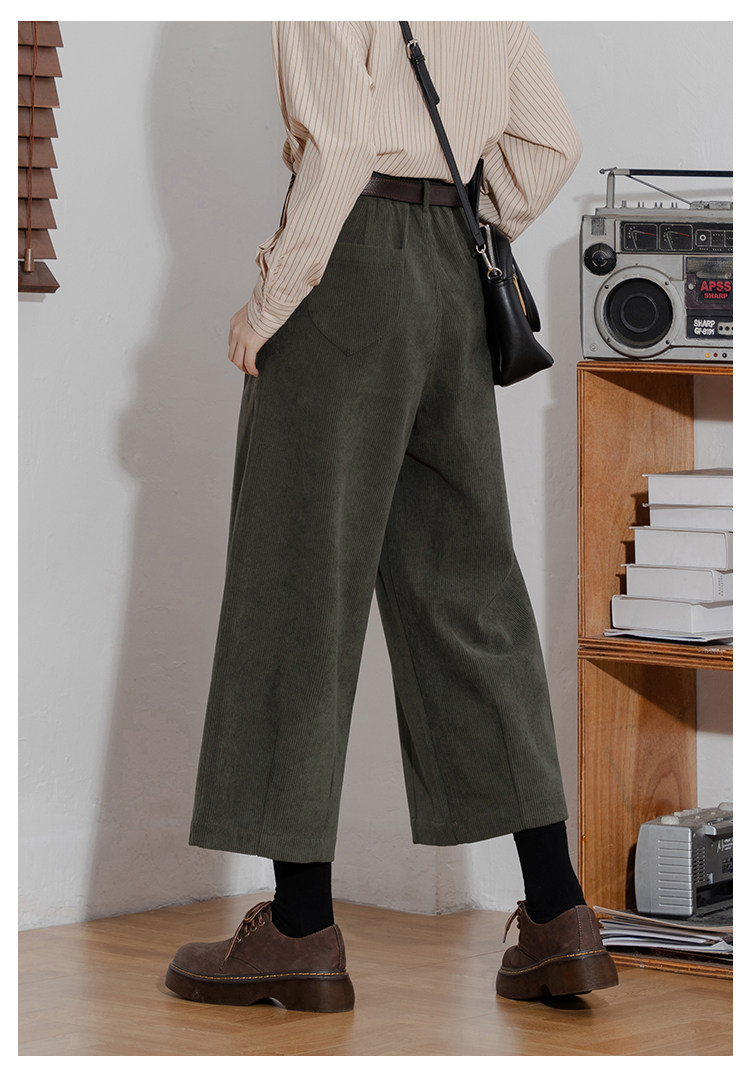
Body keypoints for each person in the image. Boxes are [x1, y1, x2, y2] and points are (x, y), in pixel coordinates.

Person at [165, 20, 618, 1011]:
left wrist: (269, 300)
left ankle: (300, 930)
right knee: (473, 593)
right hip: (458, 271)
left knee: (298, 588)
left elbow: (338, 147)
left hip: (346, 271)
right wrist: (467, 228)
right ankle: (558, 914)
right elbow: (551, 140)